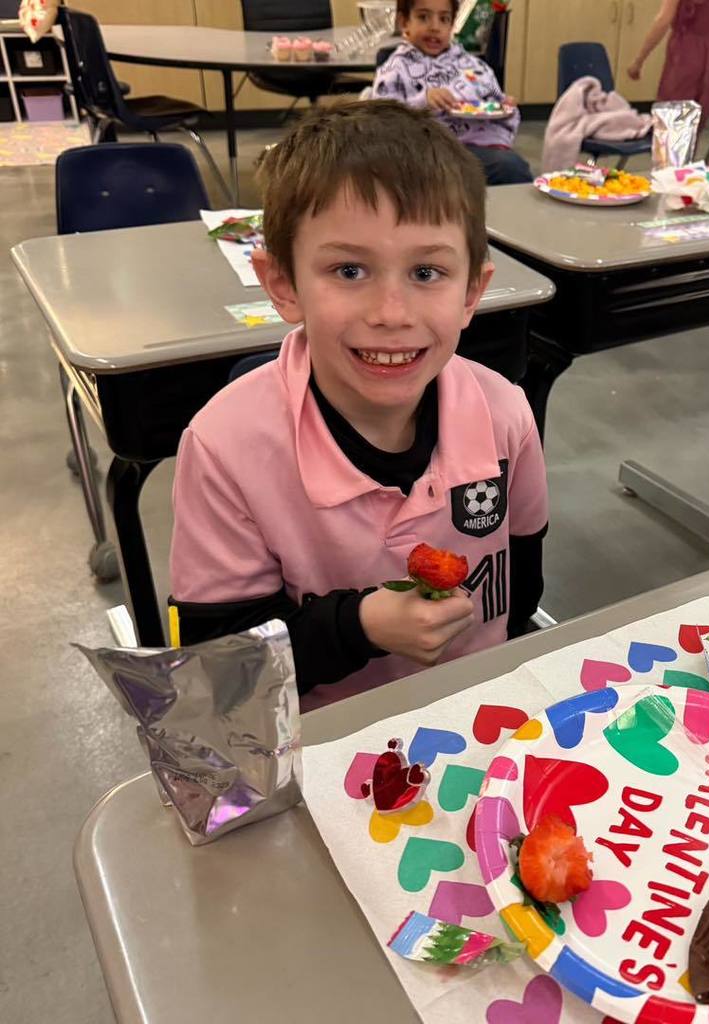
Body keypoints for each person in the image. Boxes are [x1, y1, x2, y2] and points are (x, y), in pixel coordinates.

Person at [168, 100, 549, 711]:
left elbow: (522, 590)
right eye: (349, 270)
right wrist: (359, 626)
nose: (391, 314)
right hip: (326, 743)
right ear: (283, 284)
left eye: (427, 272)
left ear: (473, 292)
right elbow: (222, 668)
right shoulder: (224, 447)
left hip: (480, 715)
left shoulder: (506, 415)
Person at [372, 0, 533, 184]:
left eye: (444, 19)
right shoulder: (395, 69)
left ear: (452, 24)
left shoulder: (472, 65)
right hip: (424, 154)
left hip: (480, 145)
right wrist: (423, 101)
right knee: (512, 168)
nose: (435, 27)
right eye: (423, 17)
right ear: (404, 21)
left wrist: (505, 105)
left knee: (512, 167)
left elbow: (494, 99)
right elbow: (381, 124)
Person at [626, 0, 709, 128]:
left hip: (685, 51)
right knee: (699, 117)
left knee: (673, 118)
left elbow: (663, 20)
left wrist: (639, 60)